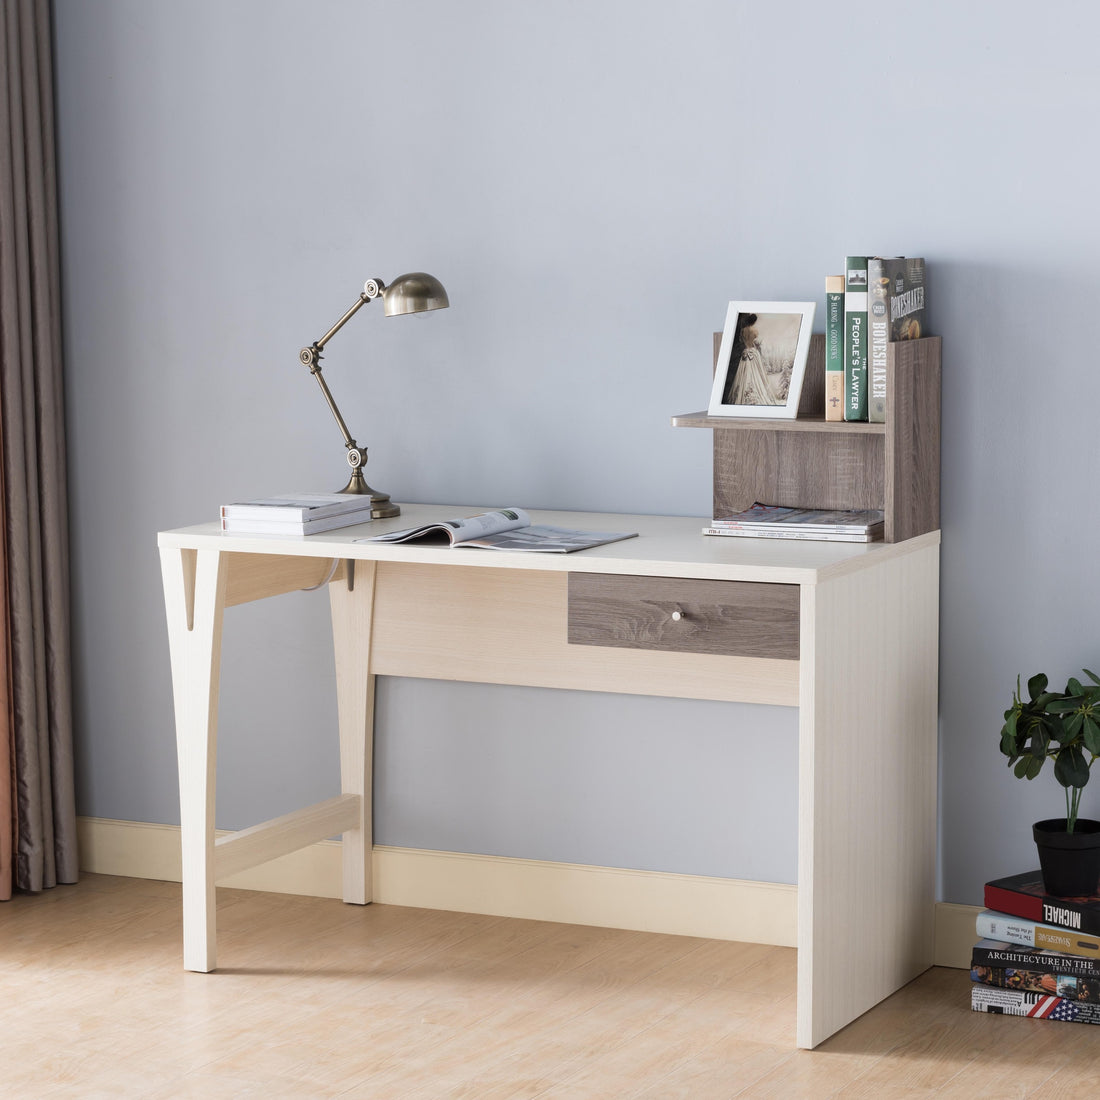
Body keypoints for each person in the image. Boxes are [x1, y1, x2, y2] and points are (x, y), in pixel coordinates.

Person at [725, 315, 780, 405]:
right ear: (753, 322)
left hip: (745, 352)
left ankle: (744, 393)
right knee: (756, 373)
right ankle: (754, 393)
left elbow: (742, 341)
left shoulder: (743, 331)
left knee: (744, 374)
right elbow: (754, 341)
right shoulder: (754, 331)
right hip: (752, 353)